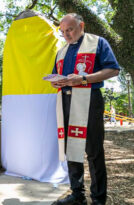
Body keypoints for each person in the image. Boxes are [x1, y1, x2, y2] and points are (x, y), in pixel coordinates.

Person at [51, 14, 120, 205]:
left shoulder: (98, 42)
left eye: (70, 30)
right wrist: (56, 82)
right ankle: (77, 195)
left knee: (94, 150)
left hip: (89, 101)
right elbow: (56, 75)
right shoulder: (62, 51)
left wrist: (83, 79)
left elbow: (113, 69)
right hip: (65, 101)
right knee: (71, 149)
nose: (66, 35)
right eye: (63, 31)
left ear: (81, 25)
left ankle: (98, 199)